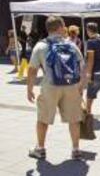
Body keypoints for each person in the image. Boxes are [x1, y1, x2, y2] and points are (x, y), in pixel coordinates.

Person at [27, 16, 86, 160]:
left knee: (43, 118)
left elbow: (32, 69)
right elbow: (82, 66)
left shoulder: (41, 46)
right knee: (74, 119)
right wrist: (81, 86)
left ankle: (40, 149)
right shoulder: (71, 45)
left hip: (50, 86)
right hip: (71, 85)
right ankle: (76, 149)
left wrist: (29, 88)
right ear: (60, 27)